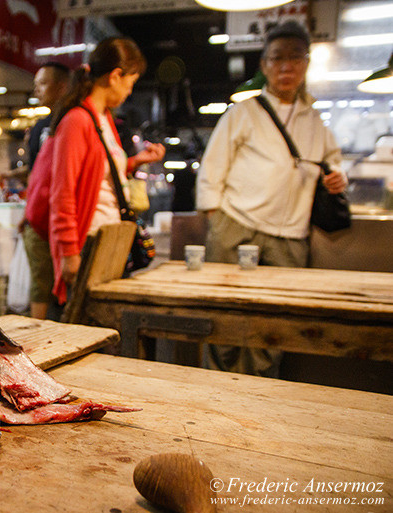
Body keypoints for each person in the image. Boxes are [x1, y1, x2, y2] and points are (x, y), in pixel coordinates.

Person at [195, 21, 347, 377]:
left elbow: (334, 160)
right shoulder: (243, 112)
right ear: (264, 66)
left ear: (307, 63)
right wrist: (217, 219)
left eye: (295, 58)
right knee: (223, 315)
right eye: (277, 58)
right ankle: (213, 392)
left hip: (290, 235)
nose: (286, 66)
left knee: (273, 324)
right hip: (237, 225)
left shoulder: (315, 120)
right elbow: (211, 170)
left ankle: (259, 396)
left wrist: (339, 175)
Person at [47, 37, 166, 308]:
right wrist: (69, 254)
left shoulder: (104, 119)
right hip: (89, 244)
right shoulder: (77, 120)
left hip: (111, 240)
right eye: (130, 83)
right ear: (115, 76)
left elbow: (98, 173)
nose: (129, 92)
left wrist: (135, 162)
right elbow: (62, 193)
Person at [19, 62, 71, 320]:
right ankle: (36, 349)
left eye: (43, 83)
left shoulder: (73, 120)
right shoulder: (40, 126)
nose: (37, 90)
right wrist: (27, 211)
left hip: (64, 217)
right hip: (39, 219)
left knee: (67, 290)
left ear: (61, 86)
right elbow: (35, 174)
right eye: (36, 84)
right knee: (41, 284)